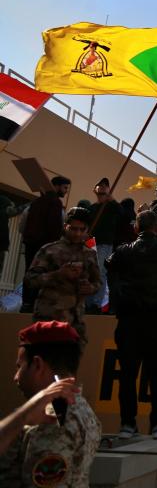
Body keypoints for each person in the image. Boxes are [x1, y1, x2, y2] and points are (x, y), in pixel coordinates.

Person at [107, 210, 157, 439]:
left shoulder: (123, 251)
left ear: (136, 228)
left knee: (128, 374)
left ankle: (127, 424)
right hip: (155, 320)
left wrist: (118, 294)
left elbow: (109, 266)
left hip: (128, 319)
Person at [0, 321, 100, 486]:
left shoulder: (49, 417)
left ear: (37, 364)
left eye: (20, 366)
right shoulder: (82, 408)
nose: (16, 377)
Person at [23, 207, 101, 348]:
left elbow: (98, 283)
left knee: (66, 368)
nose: (78, 233)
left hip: (75, 323)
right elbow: (30, 279)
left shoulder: (89, 255)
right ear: (66, 226)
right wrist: (57, 275)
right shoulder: (49, 250)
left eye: (82, 230)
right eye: (73, 229)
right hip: (49, 320)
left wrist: (90, 287)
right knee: (44, 364)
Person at [21, 176, 71, 313]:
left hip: (30, 244)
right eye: (65, 187)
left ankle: (26, 304)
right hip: (46, 247)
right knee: (43, 275)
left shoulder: (35, 202)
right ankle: (36, 305)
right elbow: (56, 227)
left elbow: (22, 224)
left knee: (29, 273)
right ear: (56, 186)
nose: (66, 191)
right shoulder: (55, 203)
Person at [87, 177, 122, 313]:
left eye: (105, 186)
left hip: (105, 244)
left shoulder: (113, 206)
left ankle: (96, 304)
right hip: (90, 242)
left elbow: (122, 213)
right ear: (94, 189)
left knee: (100, 272)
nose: (102, 187)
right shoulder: (91, 208)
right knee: (89, 273)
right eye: (99, 185)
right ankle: (88, 303)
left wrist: (111, 199)